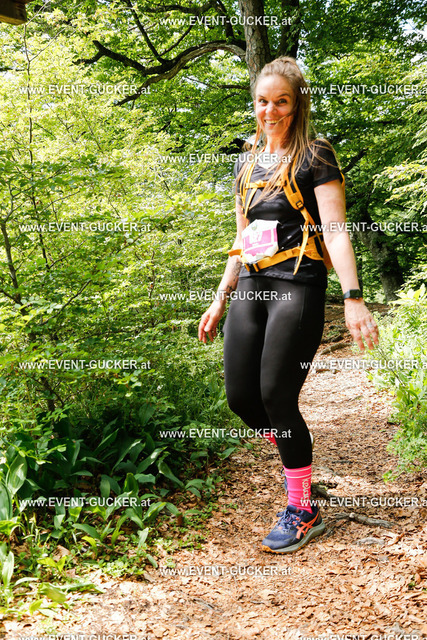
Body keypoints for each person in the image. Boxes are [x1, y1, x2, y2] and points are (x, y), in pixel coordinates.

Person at [198, 56, 379, 553]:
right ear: (254, 103)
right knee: (242, 398)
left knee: (277, 395)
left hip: (298, 283)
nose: (271, 110)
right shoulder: (246, 161)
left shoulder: (316, 154)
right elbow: (242, 238)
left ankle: (302, 508)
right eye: (263, 101)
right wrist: (220, 297)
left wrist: (354, 298)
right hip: (252, 282)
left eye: (281, 101)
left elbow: (336, 231)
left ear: (297, 104)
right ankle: (298, 467)